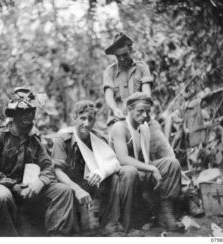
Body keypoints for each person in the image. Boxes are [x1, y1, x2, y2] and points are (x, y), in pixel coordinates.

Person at [0, 87, 77, 236]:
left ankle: (57, 237)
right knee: (2, 196)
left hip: (27, 189)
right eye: (24, 111)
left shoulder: (34, 140)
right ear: (14, 114)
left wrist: (41, 182)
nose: (29, 115)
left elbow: (48, 166)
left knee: (63, 191)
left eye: (32, 111)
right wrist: (14, 186)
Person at [52, 100, 139, 235]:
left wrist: (100, 173)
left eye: (90, 119)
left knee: (114, 178)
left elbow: (113, 163)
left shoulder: (99, 138)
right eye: (82, 118)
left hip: (93, 184)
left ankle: (111, 226)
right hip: (73, 186)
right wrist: (77, 189)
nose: (86, 124)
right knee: (83, 230)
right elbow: (57, 171)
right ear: (74, 118)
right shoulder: (63, 139)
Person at [109, 92, 184, 231]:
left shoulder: (143, 127)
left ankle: (165, 213)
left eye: (147, 111)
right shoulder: (119, 127)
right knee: (131, 171)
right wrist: (152, 169)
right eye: (140, 111)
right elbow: (122, 159)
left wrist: (152, 169)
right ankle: (126, 224)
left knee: (171, 163)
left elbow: (144, 158)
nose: (145, 115)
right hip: (120, 176)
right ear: (129, 109)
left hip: (138, 171)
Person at [103, 32, 175, 160]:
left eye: (125, 55)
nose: (122, 59)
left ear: (130, 51)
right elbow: (109, 95)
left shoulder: (141, 68)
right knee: (113, 156)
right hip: (118, 120)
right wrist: (115, 109)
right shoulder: (110, 72)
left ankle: (179, 177)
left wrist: (142, 110)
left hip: (142, 118)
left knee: (164, 149)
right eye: (118, 56)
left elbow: (146, 93)